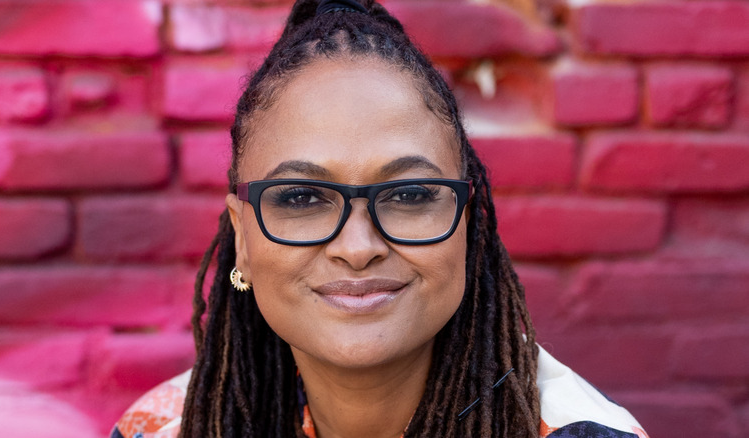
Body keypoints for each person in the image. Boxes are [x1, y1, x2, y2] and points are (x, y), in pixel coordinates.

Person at [112, 0, 648, 437]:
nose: (358, 244)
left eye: (410, 194)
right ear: (243, 238)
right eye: (301, 197)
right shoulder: (164, 429)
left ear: (468, 223)